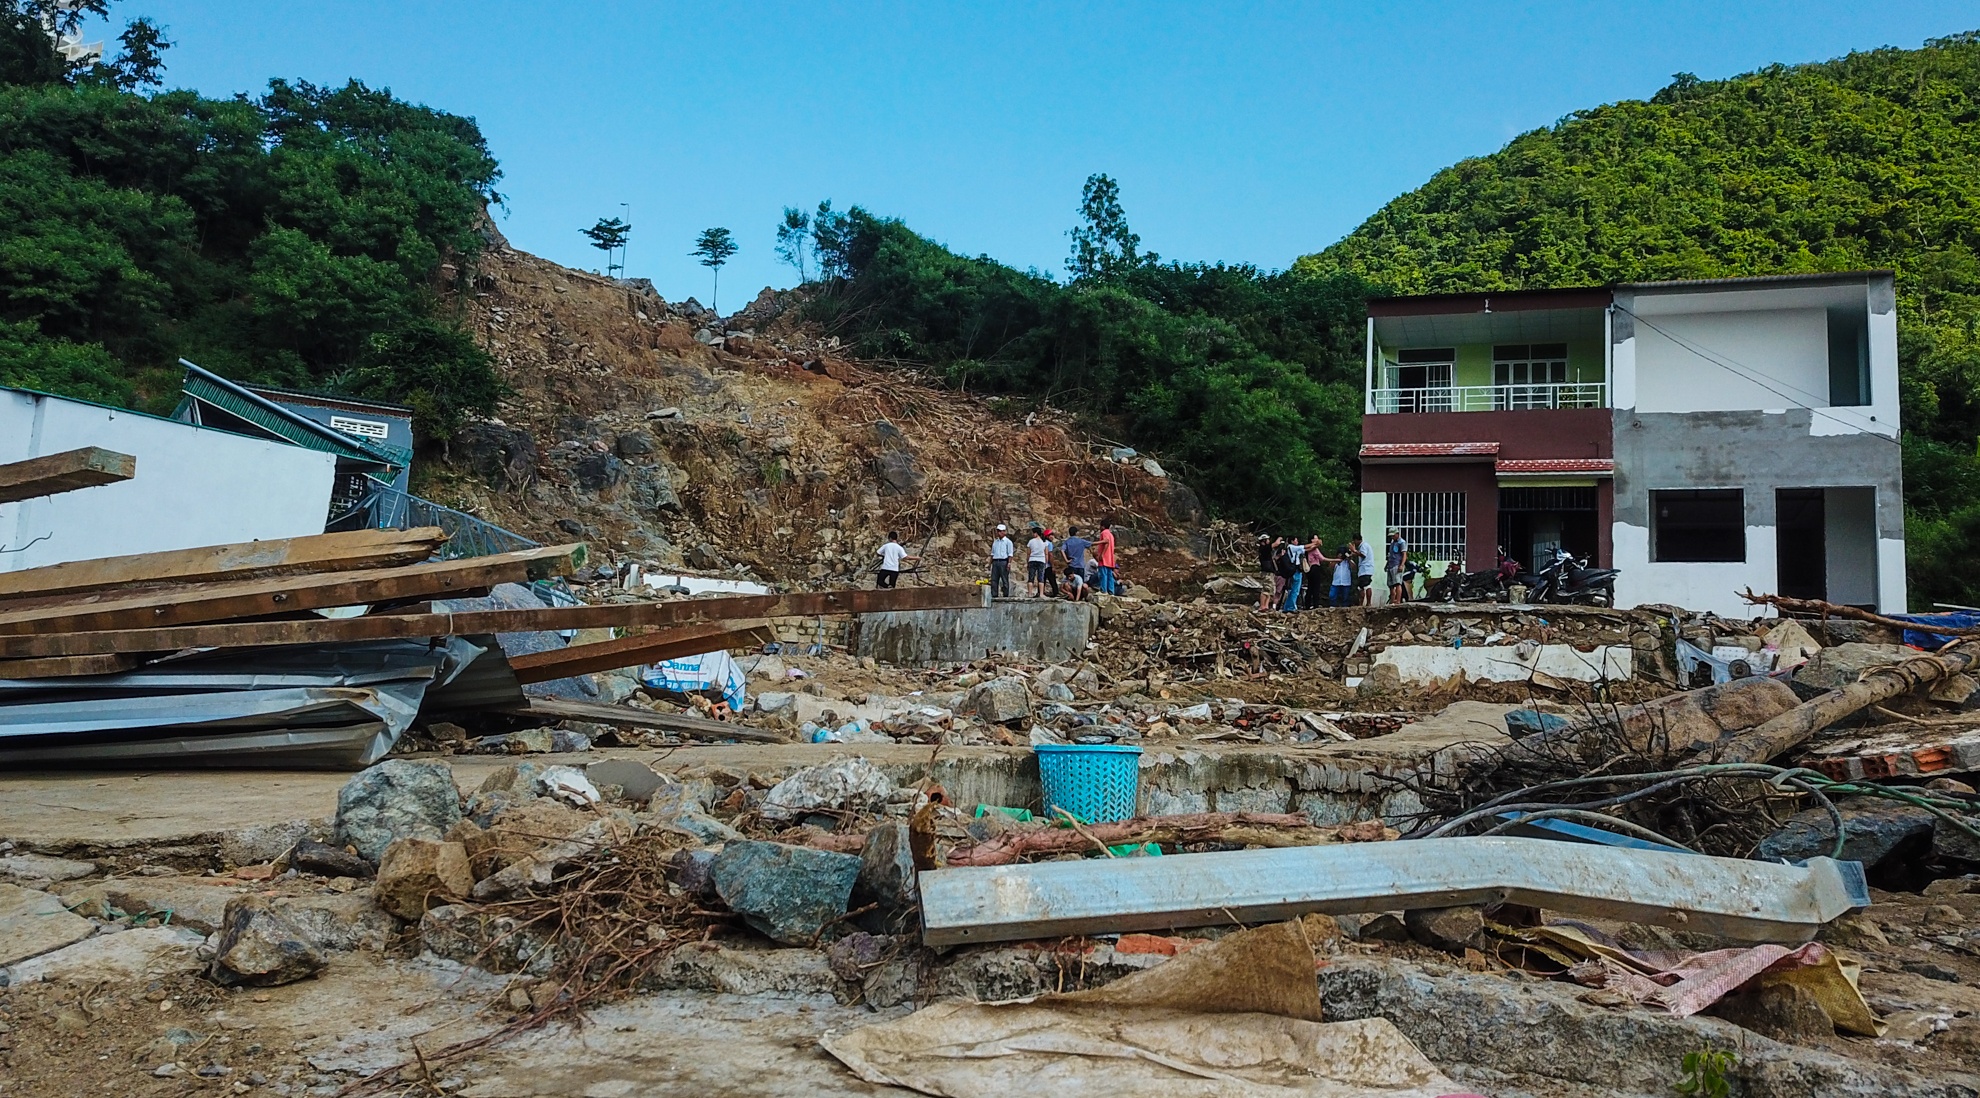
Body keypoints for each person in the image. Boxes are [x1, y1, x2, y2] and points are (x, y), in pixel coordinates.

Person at [1060, 525, 1092, 601]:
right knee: (1080, 584)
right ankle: (1080, 598)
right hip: (1080, 565)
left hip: (1072, 565)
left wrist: (1066, 560)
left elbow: (1062, 550)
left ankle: (1073, 596)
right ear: (1076, 533)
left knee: (1069, 582)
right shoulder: (1081, 541)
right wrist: (1103, 542)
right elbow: (1092, 543)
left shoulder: (1067, 542)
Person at [988, 523, 1014, 598]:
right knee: (994, 579)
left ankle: (1005, 595)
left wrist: (1009, 563)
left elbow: (1010, 554)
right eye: (998, 531)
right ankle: (994, 595)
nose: (999, 533)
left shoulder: (1008, 542)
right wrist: (990, 563)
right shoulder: (995, 542)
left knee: (1004, 579)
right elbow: (992, 553)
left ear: (1004, 532)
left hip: (1003, 561)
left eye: (1001, 531)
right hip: (996, 561)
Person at [1026, 523, 1052, 598]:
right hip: (1041, 560)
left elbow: (1028, 553)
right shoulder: (1044, 542)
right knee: (1040, 578)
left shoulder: (1031, 541)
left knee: (1031, 578)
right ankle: (1041, 594)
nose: (1033, 534)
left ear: (1036, 533)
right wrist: (1046, 562)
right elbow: (1046, 553)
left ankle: (1030, 593)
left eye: (1033, 533)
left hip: (1032, 560)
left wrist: (1027, 562)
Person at [1093, 520, 1118, 595]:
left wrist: (1102, 554)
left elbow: (1106, 542)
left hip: (1104, 559)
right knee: (1109, 575)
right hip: (1110, 559)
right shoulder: (1111, 534)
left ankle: (1103, 590)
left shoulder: (1104, 533)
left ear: (1103, 526)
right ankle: (1111, 591)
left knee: (1103, 574)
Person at [1385, 528, 1409, 604]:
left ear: (1397, 534)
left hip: (1397, 565)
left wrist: (1401, 565)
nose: (1392, 537)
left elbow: (1404, 555)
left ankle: (1398, 600)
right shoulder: (1393, 543)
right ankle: (1392, 600)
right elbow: (1391, 555)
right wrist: (1387, 565)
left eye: (1393, 535)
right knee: (1391, 584)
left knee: (1397, 583)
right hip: (1391, 565)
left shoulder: (1401, 542)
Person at [1282, 535, 1306, 611]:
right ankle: (1290, 607)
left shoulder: (1294, 549)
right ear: (1292, 541)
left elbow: (1305, 549)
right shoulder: (1292, 547)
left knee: (1294, 589)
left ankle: (1288, 606)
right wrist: (1315, 543)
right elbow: (1305, 547)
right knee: (1295, 590)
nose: (1297, 542)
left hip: (1295, 570)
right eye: (1296, 540)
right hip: (1295, 570)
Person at [1351, 533, 1376, 605]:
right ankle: (1361, 603)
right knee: (1361, 586)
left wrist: (1355, 551)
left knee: (1366, 585)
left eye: (1354, 541)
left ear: (1356, 540)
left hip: (1366, 569)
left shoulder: (1363, 546)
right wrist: (1353, 553)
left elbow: (1363, 555)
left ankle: (1368, 603)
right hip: (1364, 570)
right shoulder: (1364, 546)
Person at [1329, 539, 1355, 607]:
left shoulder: (1348, 561)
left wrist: (1349, 559)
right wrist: (1337, 559)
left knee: (1345, 598)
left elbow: (1354, 567)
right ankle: (1332, 607)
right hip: (1336, 582)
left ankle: (1345, 609)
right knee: (1332, 596)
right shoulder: (1335, 560)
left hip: (1346, 582)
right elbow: (1330, 567)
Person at [1255, 534, 1276, 611]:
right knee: (1266, 589)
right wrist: (1279, 540)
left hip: (1270, 571)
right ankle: (1262, 606)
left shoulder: (1265, 549)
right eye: (1267, 540)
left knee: (1270, 590)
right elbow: (1275, 544)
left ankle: (1266, 606)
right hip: (1266, 572)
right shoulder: (1263, 548)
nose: (1269, 541)